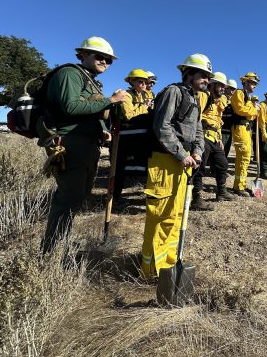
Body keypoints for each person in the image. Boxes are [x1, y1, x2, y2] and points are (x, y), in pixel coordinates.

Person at [41, 36, 128, 254]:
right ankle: (51, 252)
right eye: (100, 57)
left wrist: (102, 130)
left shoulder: (90, 80)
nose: (105, 63)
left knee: (79, 197)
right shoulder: (69, 73)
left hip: (86, 144)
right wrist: (111, 100)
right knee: (68, 198)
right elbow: (70, 107)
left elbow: (89, 110)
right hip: (69, 143)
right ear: (84, 55)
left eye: (109, 60)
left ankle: (60, 244)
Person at [141, 53, 211, 279]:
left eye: (208, 76)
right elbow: (162, 127)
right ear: (188, 73)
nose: (206, 80)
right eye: (202, 75)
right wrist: (182, 154)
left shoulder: (196, 98)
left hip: (184, 162)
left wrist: (198, 152)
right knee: (161, 215)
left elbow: (198, 129)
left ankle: (169, 266)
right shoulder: (173, 92)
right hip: (164, 160)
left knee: (176, 214)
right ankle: (151, 271)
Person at [193, 71, 236, 211]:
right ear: (213, 84)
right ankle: (196, 198)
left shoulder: (221, 100)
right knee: (199, 167)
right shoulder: (203, 96)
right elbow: (194, 115)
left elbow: (218, 119)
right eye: (221, 85)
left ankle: (221, 192)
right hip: (202, 136)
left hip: (215, 137)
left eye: (224, 86)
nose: (223, 88)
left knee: (222, 164)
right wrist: (201, 122)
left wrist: (219, 137)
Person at [113, 69, 153, 208]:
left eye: (145, 82)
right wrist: (145, 108)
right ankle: (114, 198)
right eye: (140, 81)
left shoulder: (142, 96)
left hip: (139, 136)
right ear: (131, 81)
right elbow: (129, 115)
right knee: (119, 168)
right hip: (124, 136)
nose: (143, 84)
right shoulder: (125, 95)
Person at [230, 72, 259, 196]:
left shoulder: (248, 97)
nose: (254, 86)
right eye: (252, 83)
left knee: (245, 157)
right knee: (243, 156)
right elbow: (240, 110)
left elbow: (251, 116)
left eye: (255, 84)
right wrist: (254, 109)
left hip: (247, 128)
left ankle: (240, 184)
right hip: (239, 127)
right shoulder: (239, 93)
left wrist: (253, 110)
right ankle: (239, 187)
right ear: (245, 82)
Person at [221, 78, 238, 158]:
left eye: (234, 89)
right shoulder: (219, 98)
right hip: (220, 131)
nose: (232, 91)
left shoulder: (233, 103)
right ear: (225, 88)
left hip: (229, 132)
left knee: (225, 154)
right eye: (231, 89)